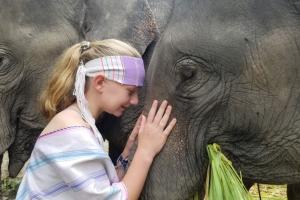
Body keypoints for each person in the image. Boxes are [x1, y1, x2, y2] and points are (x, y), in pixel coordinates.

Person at [16, 39, 176, 200]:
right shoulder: (73, 134)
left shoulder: (76, 124)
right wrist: (145, 151)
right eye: (130, 91)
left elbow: (98, 188)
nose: (134, 100)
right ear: (99, 83)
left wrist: (128, 152)